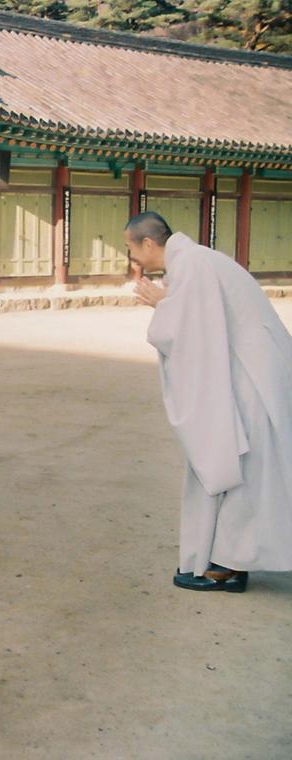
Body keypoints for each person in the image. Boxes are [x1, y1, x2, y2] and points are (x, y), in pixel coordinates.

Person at [129, 211, 292, 592]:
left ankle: (229, 566)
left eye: (131, 249)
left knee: (240, 466)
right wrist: (171, 304)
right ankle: (234, 559)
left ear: (149, 244)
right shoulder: (196, 260)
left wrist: (163, 308)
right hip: (255, 371)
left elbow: (190, 331)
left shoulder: (192, 264)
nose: (133, 260)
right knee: (252, 467)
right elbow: (203, 319)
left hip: (252, 379)